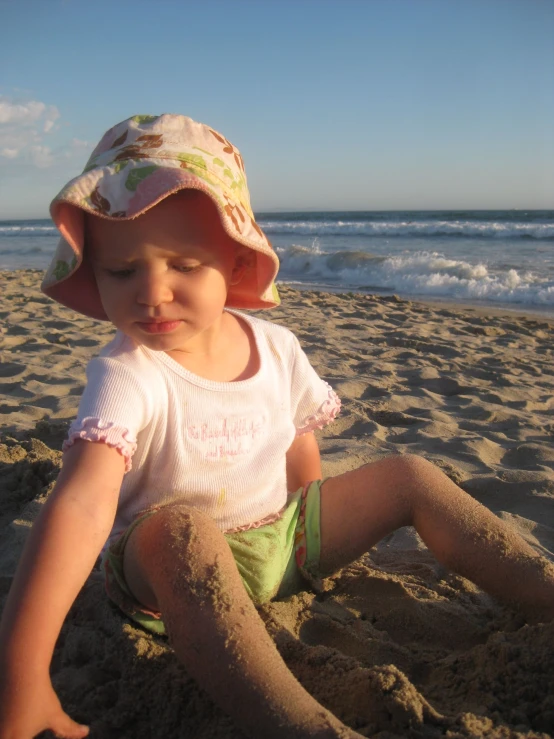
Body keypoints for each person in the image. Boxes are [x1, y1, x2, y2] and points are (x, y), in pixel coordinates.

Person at [0, 114, 553, 739]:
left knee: (411, 475)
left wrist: (308, 543)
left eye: (183, 264)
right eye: (122, 271)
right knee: (182, 529)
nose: (153, 292)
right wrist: (23, 677)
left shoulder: (278, 347)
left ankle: (540, 591)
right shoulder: (128, 374)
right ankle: (297, 723)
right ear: (93, 271)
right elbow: (80, 503)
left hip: (278, 540)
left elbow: (297, 441)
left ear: (235, 263)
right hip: (166, 575)